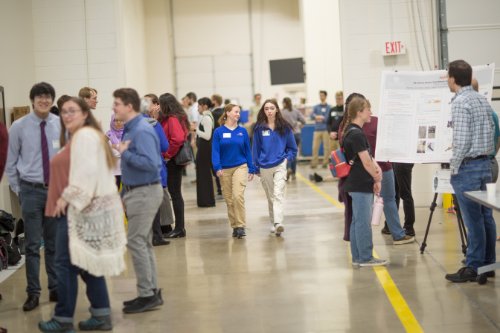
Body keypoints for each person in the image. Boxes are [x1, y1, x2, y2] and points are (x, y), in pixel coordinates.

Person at [38, 97, 126, 333]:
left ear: (85, 114)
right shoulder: (79, 136)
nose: (67, 115)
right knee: (86, 264)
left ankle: (63, 319)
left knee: (64, 264)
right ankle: (101, 314)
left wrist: (66, 198)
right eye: (64, 111)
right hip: (76, 209)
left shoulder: (85, 136)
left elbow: (86, 175)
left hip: (74, 209)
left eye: (72, 111)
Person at [6, 82, 60, 311]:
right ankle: (33, 293)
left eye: (48, 97)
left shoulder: (60, 124)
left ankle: (55, 288)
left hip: (55, 190)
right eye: (40, 97)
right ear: (32, 100)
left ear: (52, 100)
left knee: (54, 244)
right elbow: (11, 162)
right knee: (31, 245)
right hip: (31, 190)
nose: (44, 100)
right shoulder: (19, 127)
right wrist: (20, 190)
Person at [445, 60, 497, 283]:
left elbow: (462, 140)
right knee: (486, 216)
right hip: (486, 163)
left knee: (472, 219)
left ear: (453, 79)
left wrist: (454, 166)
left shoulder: (460, 102)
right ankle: (488, 264)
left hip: (469, 167)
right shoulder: (481, 99)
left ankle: (473, 267)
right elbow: (493, 130)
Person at [113, 88, 164, 313]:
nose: (114, 108)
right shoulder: (131, 128)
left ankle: (147, 294)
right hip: (136, 191)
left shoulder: (141, 130)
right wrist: (125, 194)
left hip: (145, 192)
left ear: (129, 106)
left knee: (135, 241)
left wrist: (125, 152)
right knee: (142, 242)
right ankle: (151, 291)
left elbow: (152, 164)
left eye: (117, 104)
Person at [341, 96, 387, 267]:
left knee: (357, 221)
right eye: (368, 109)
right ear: (359, 112)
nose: (371, 112)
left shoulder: (351, 131)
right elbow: (366, 161)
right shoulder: (357, 134)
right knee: (362, 221)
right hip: (360, 183)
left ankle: (358, 256)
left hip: (356, 182)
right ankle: (366, 257)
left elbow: (366, 160)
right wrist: (377, 177)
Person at [362, 114, 415, 245]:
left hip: (394, 163)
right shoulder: (374, 123)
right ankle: (391, 228)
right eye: (367, 109)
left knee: (399, 195)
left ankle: (405, 229)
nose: (370, 112)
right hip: (385, 164)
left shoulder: (379, 122)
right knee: (392, 196)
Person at [252, 99, 297, 236]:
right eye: (266, 109)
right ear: (263, 111)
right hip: (264, 166)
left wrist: (286, 159)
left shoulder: (285, 127)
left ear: (277, 109)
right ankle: (273, 222)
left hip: (280, 164)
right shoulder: (259, 128)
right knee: (270, 197)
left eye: (272, 108)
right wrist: (255, 168)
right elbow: (255, 149)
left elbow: (292, 148)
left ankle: (278, 223)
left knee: (278, 194)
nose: (269, 111)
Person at [212, 104, 255, 238]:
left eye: (239, 112)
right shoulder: (218, 132)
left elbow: (248, 151)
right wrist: (217, 167)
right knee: (229, 200)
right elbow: (215, 151)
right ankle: (235, 226)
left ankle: (241, 225)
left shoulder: (242, 131)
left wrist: (251, 168)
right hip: (224, 169)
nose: (238, 114)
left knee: (237, 196)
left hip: (240, 167)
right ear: (227, 113)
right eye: (236, 112)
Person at [144, 93, 176, 237]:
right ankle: (163, 228)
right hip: (156, 165)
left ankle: (161, 227)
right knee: (161, 196)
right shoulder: (153, 123)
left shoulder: (161, 119)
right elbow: (164, 145)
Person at [159, 93, 190, 238]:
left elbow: (177, 139)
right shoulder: (179, 117)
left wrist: (168, 154)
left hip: (173, 160)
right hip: (173, 160)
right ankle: (179, 228)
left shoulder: (172, 119)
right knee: (175, 193)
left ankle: (179, 228)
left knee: (175, 194)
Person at [140, 99, 170, 246]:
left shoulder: (130, 125)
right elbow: (164, 146)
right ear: (148, 110)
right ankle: (157, 236)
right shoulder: (153, 124)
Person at [196, 97, 216, 207]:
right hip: (203, 149)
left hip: (205, 149)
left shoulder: (207, 118)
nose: (197, 108)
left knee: (204, 174)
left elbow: (207, 136)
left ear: (205, 106)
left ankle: (207, 200)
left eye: (199, 105)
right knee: (202, 174)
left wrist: (196, 130)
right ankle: (204, 200)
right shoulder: (205, 117)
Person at [281, 97, 306, 180]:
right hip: (296, 134)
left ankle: (288, 168)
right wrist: (299, 126)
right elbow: (303, 121)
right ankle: (294, 174)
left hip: (286, 135)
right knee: (294, 154)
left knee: (287, 153)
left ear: (284, 103)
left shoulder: (282, 112)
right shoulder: (296, 111)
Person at [310, 90, 331, 168]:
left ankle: (325, 163)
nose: (321, 97)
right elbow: (311, 116)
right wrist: (317, 117)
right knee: (315, 147)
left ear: (325, 96)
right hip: (317, 130)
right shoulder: (316, 107)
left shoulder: (329, 107)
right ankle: (314, 163)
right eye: (320, 95)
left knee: (326, 147)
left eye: (322, 95)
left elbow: (328, 118)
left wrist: (320, 117)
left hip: (325, 130)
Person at [211, 94, 225, 198]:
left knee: (216, 164)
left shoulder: (212, 114)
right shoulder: (225, 112)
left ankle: (220, 190)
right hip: (225, 141)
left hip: (215, 141)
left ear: (215, 101)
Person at [106, 114, 124, 188]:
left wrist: (115, 146)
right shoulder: (108, 135)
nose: (118, 122)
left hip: (125, 170)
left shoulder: (127, 134)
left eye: (121, 120)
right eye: (116, 120)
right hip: (113, 171)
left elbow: (127, 151)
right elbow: (108, 152)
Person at [326, 91, 344, 155]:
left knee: (342, 157)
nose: (338, 100)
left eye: (340, 98)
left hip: (341, 138)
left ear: (343, 99)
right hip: (332, 137)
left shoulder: (345, 110)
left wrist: (339, 133)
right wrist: (330, 132)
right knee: (333, 156)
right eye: (337, 98)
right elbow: (328, 123)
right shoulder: (332, 109)